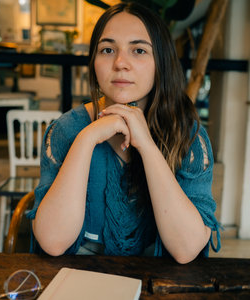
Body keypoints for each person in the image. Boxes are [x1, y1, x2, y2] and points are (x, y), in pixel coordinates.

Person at [28, 2, 220, 264]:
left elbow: (186, 248)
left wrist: (147, 146)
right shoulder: (66, 130)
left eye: (139, 50)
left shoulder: (188, 136)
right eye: (107, 50)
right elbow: (52, 241)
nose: (120, 63)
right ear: (93, 62)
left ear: (160, 62)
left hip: (158, 283)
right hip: (80, 280)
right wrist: (87, 139)